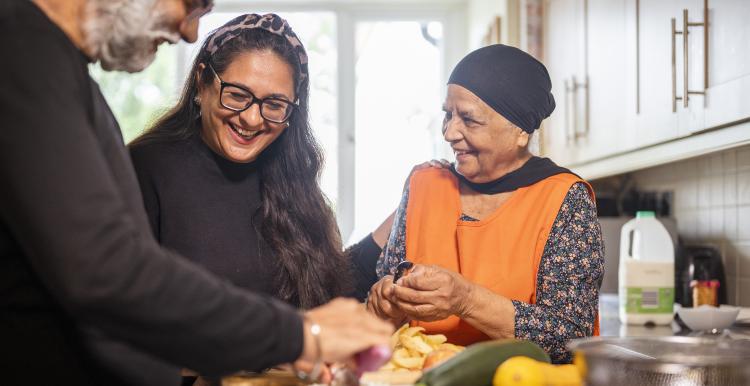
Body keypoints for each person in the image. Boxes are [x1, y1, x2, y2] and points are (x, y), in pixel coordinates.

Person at [0, 1, 392, 385]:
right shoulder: (21, 47)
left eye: (274, 105)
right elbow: (107, 272)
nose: (190, 31)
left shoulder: (57, 64)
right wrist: (299, 338)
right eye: (191, 4)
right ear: (203, 85)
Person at [366, 44, 604, 364]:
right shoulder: (423, 184)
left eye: (468, 118)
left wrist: (465, 299)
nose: (450, 132)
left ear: (520, 131)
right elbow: (382, 312)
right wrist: (383, 305)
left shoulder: (565, 200)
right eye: (447, 114)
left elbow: (570, 336)